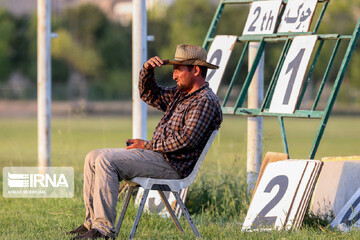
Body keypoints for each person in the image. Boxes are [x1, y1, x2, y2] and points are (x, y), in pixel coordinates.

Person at [67, 44, 223, 239]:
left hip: (172, 165)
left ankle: (103, 231)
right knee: (93, 156)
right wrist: (147, 71)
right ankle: (91, 223)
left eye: (178, 69)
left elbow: (186, 140)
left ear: (196, 70)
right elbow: (149, 94)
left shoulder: (205, 101)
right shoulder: (181, 95)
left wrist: (147, 145)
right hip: (157, 157)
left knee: (106, 161)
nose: (174, 75)